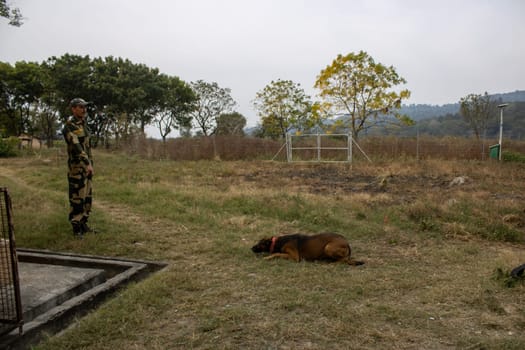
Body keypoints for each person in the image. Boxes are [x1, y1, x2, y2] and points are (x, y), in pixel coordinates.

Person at [62, 98, 95, 237]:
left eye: (85, 107)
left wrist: (90, 164)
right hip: (77, 167)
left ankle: (83, 223)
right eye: (81, 107)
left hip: (87, 168)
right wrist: (87, 163)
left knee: (87, 197)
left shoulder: (84, 125)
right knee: (77, 197)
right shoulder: (69, 126)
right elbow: (77, 147)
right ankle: (76, 227)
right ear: (73, 109)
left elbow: (87, 147)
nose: (84, 109)